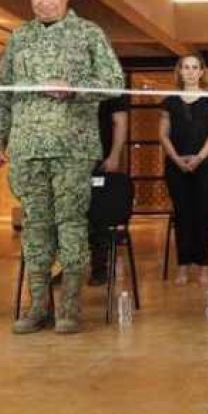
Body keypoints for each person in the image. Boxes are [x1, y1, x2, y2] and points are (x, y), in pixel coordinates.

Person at [0, 0, 125, 335]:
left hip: (72, 147)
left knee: (70, 225)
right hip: (27, 147)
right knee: (35, 228)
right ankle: (37, 307)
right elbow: (2, 95)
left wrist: (75, 87)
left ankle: (69, 308)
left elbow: (115, 83)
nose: (44, 3)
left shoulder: (88, 34)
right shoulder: (19, 38)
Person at [159, 52, 208, 286]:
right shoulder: (170, 101)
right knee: (182, 215)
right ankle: (183, 266)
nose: (191, 71)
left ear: (202, 72)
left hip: (205, 165)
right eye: (186, 67)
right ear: (180, 71)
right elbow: (163, 134)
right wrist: (176, 158)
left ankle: (204, 267)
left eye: (195, 67)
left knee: (203, 215)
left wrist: (199, 158)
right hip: (176, 166)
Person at [85, 94, 128, 287]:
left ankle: (99, 268)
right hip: (67, 159)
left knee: (98, 215)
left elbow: (120, 121)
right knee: (68, 215)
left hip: (99, 158)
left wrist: (115, 155)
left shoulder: (108, 81)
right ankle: (70, 268)